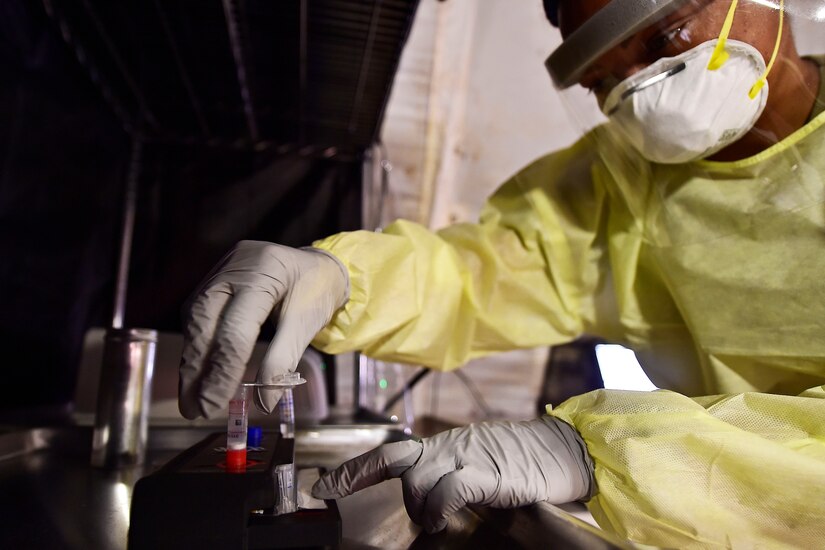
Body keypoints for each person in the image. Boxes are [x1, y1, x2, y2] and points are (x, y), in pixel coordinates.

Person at [179, 0, 825, 546]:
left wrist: (609, 453)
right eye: (601, 81)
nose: (642, 92)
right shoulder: (624, 182)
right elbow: (482, 273)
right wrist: (344, 278)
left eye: (662, 38)